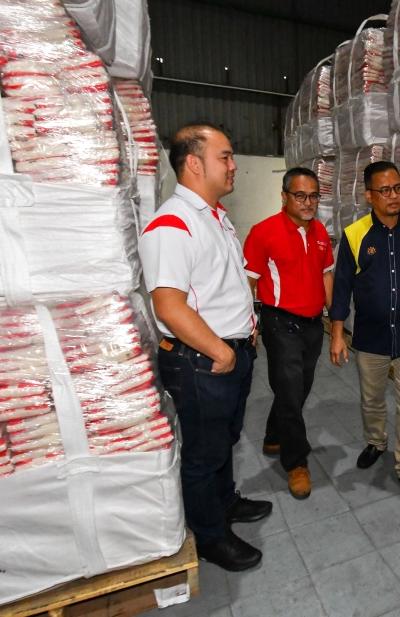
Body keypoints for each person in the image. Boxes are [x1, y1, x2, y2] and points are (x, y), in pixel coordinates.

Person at [139, 121, 272, 573]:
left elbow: (220, 286)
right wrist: (221, 350)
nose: (234, 165)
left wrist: (244, 334)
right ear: (194, 163)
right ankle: (211, 535)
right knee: (203, 453)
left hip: (229, 352)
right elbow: (169, 307)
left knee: (225, 440)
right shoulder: (172, 224)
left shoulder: (214, 216)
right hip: (202, 361)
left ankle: (225, 502)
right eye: (226, 157)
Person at [329, 161, 400, 503]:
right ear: (369, 195)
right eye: (385, 190)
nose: (393, 196)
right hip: (371, 336)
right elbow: (341, 288)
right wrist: (337, 333)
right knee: (372, 398)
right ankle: (376, 441)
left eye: (397, 188)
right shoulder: (355, 235)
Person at [243, 167, 334, 500]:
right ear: (284, 196)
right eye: (300, 195)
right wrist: (248, 324)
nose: (307, 202)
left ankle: (272, 436)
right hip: (280, 324)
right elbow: (248, 282)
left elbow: (326, 277)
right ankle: (296, 462)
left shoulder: (321, 232)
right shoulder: (263, 232)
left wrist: (334, 321)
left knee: (297, 389)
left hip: (313, 325)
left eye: (313, 196)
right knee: (291, 390)